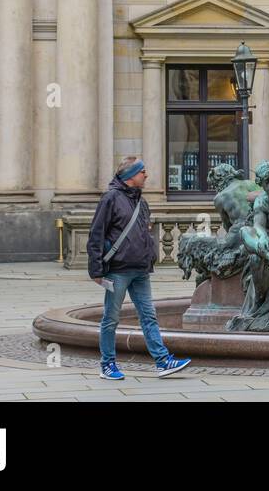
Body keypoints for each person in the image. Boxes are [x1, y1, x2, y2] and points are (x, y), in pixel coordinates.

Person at [87, 157, 191, 380]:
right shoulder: (111, 198)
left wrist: (149, 258)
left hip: (141, 270)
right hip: (118, 270)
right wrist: (96, 270)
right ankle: (107, 364)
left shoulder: (141, 202)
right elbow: (96, 234)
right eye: (143, 171)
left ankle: (163, 362)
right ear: (130, 176)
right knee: (111, 318)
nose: (147, 175)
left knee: (149, 316)